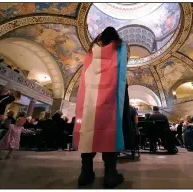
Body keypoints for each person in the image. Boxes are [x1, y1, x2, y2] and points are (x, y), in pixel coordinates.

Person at [73, 27, 127, 188]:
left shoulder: (91, 51)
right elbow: (121, 71)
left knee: (88, 134)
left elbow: (86, 75)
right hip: (110, 100)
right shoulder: (120, 47)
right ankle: (110, 175)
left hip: (89, 100)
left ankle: (85, 174)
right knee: (109, 132)